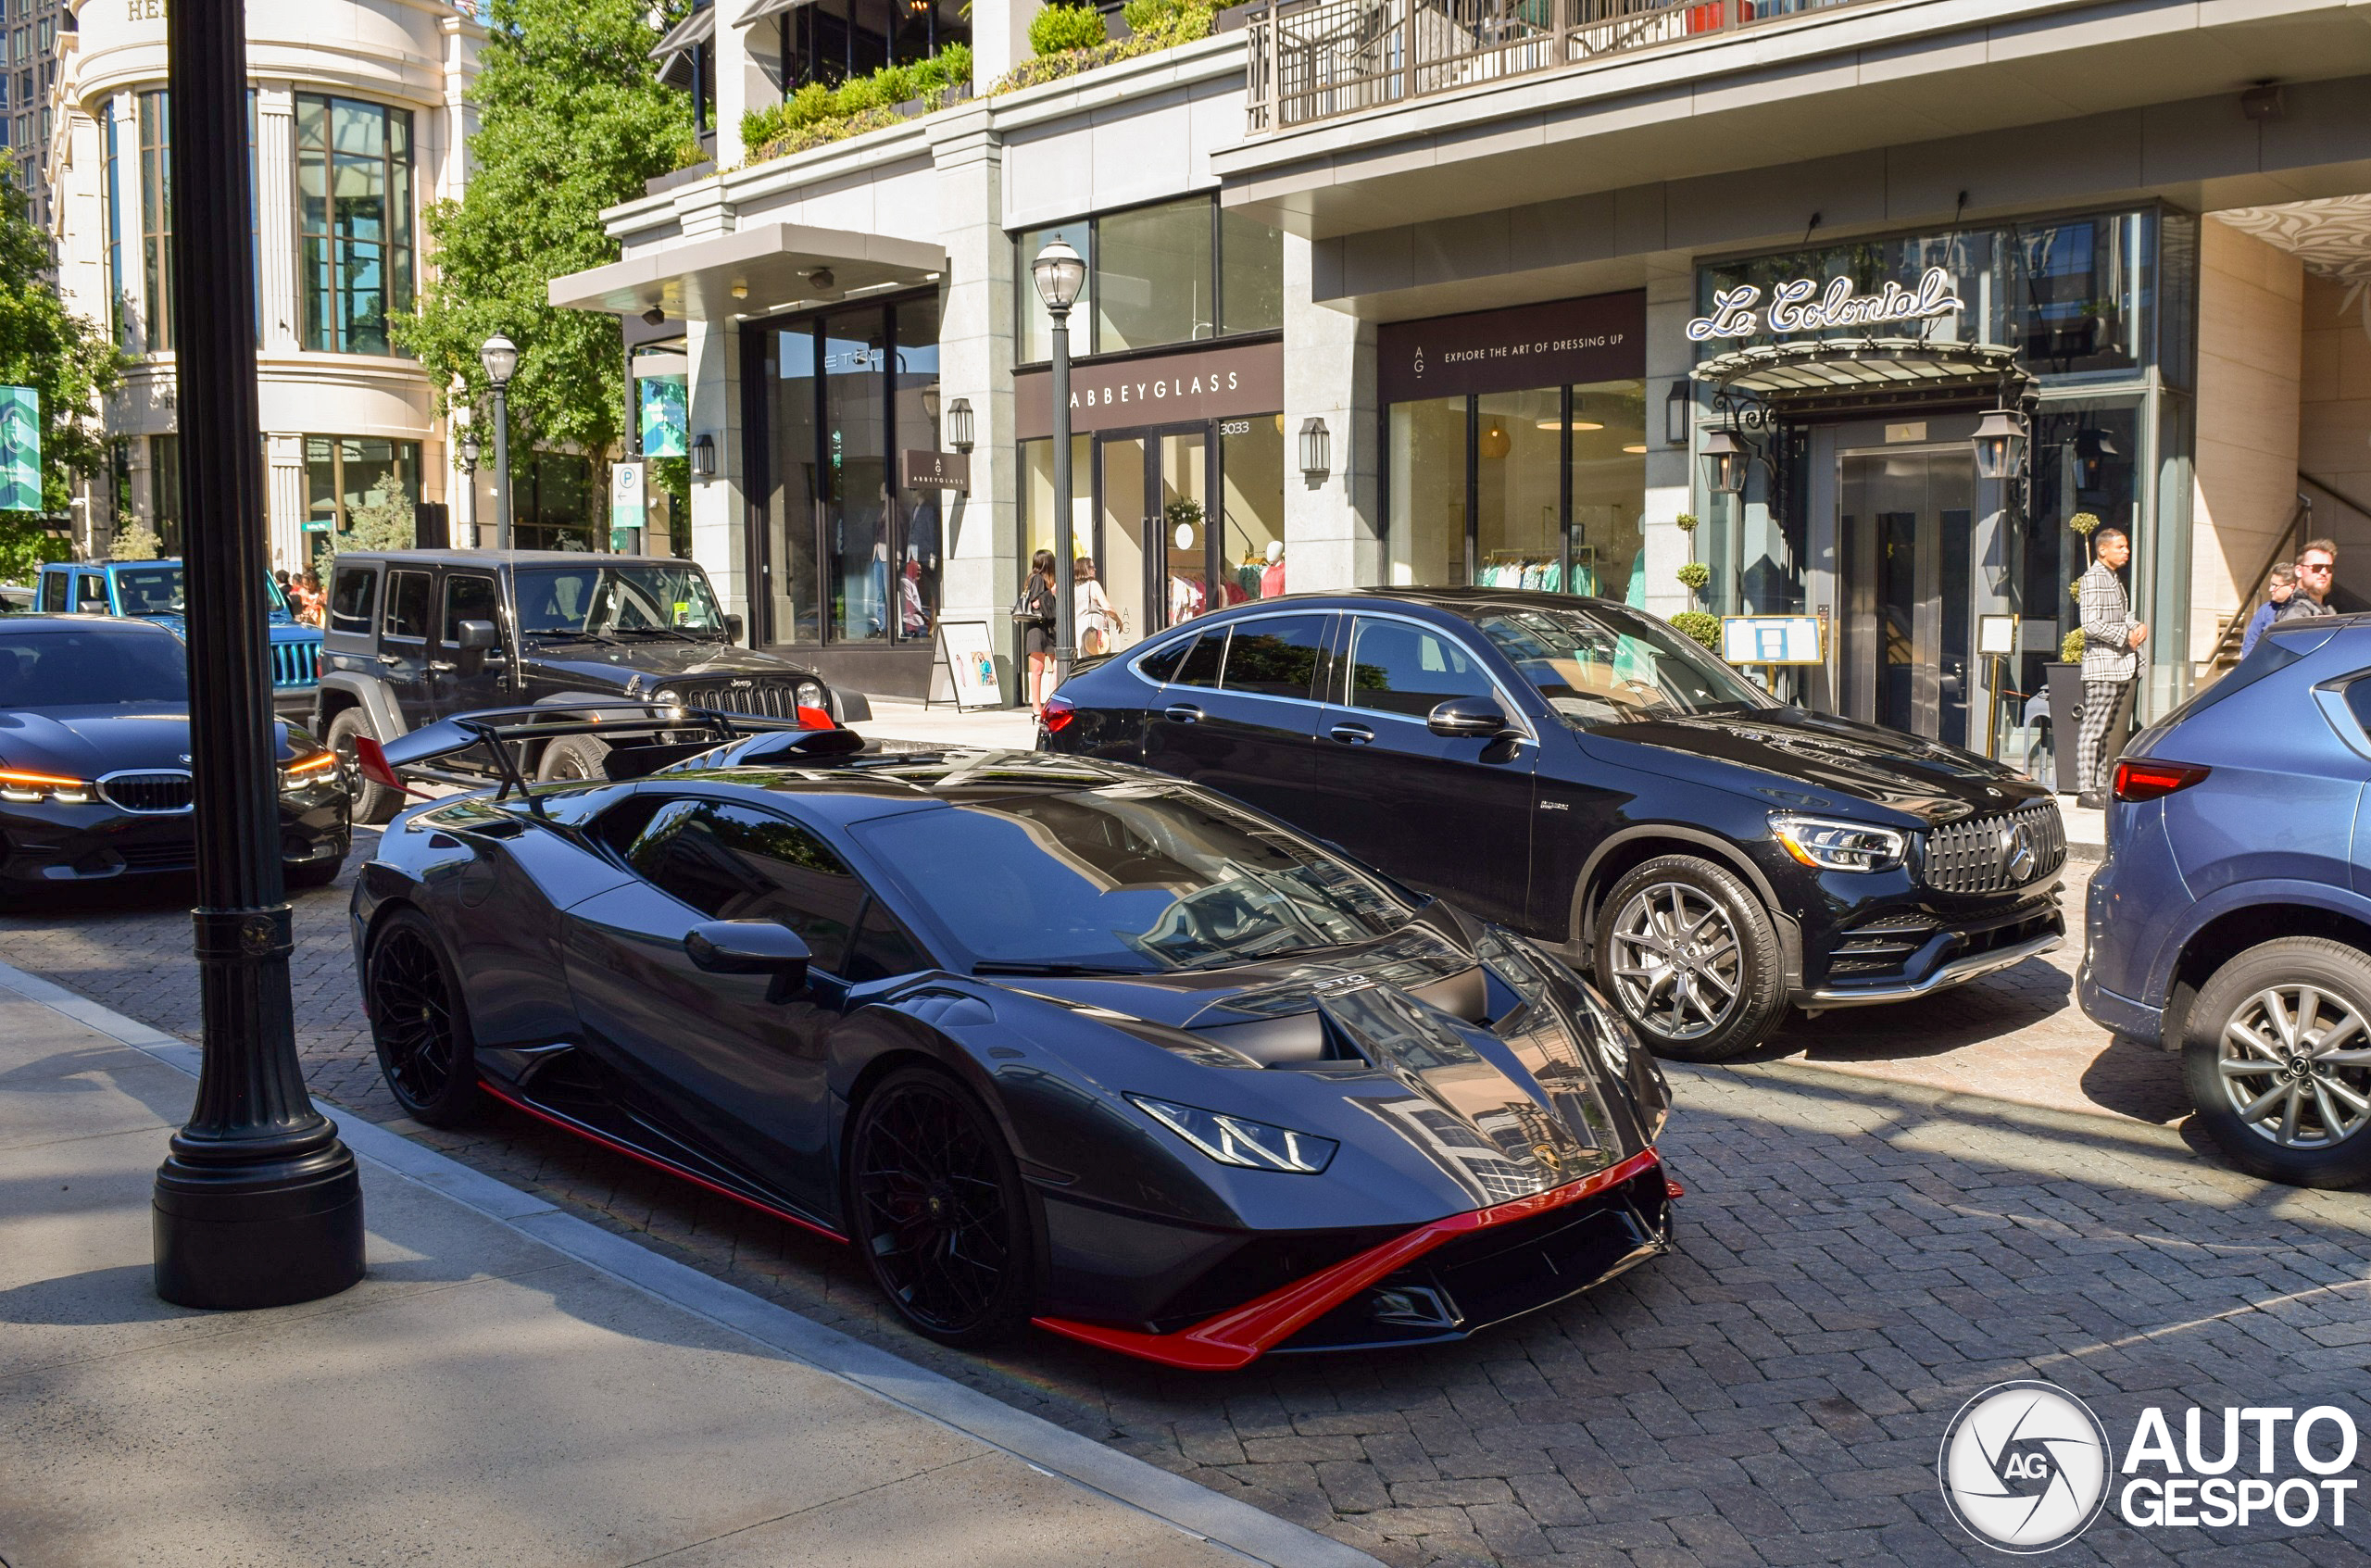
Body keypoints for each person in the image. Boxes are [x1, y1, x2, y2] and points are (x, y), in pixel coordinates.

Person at [2076, 525, 2146, 810]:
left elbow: (2119, 616)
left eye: (2127, 547)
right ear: (2102, 549)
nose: (2126, 551)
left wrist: (2136, 626)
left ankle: (2101, 784)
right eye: (2121, 547)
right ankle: (2085, 788)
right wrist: (2124, 636)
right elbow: (2090, 622)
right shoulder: (2093, 578)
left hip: (2119, 665)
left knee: (2105, 730)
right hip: (2102, 666)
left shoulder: (2113, 577)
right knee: (2093, 728)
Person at [1019, 548, 1058, 718]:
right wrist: (1052, 592)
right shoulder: (1036, 578)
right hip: (1038, 628)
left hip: (1048, 627)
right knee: (1038, 669)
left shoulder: (1044, 579)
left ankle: (1051, 703)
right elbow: (1035, 604)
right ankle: (1037, 707)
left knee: (1058, 665)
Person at [2238, 565, 2296, 658]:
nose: (2270, 589)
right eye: (2271, 585)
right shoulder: (2265, 610)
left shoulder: (2302, 610)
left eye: (2275, 586)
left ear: (2291, 587)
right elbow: (2250, 643)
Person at [2276, 538, 2338, 623]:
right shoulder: (2295, 612)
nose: (2324, 572)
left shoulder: (2328, 609)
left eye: (2329, 568)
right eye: (2317, 567)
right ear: (2299, 571)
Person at [1074, 556, 1123, 657]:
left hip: (1078, 631)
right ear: (1086, 569)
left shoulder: (1074, 587)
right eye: (1092, 567)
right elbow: (1107, 607)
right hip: (1093, 631)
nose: (1095, 569)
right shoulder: (1093, 585)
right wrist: (1118, 620)